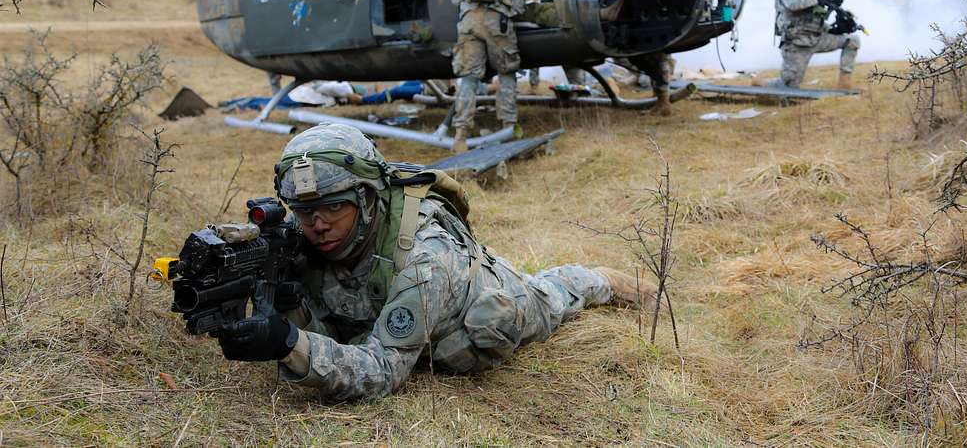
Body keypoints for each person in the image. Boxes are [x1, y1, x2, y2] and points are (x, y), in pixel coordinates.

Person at [213, 123, 656, 401]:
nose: (317, 225)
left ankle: (603, 280)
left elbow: (382, 371)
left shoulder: (426, 257)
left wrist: (290, 343)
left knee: (553, 295)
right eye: (304, 212)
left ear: (368, 200)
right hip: (395, 301)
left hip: (483, 302)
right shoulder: (306, 231)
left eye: (333, 208)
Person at [450, 0, 550, 152]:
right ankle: (508, 128)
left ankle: (460, 135)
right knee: (506, 73)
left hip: (468, 20)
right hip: (497, 22)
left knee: (469, 78)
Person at [769, 0, 860, 89]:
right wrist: (816, 0)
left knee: (852, 40)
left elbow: (813, 19)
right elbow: (791, 4)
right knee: (788, 87)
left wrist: (833, 28)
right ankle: (763, 84)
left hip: (816, 38)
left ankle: (844, 85)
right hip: (797, 44)